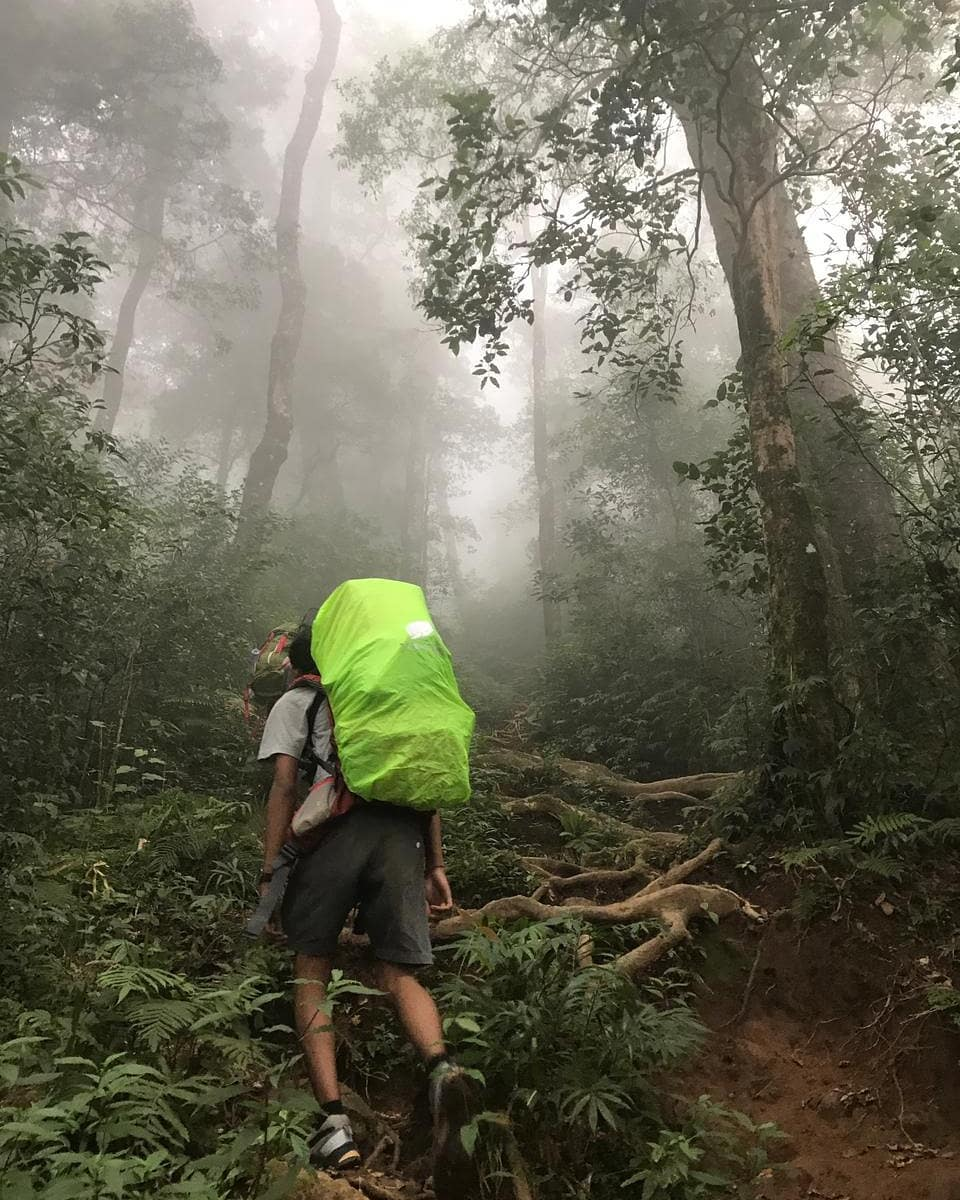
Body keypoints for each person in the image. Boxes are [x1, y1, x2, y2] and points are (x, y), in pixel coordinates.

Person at [256, 623, 475, 1186]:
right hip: (401, 834)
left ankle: (333, 1125)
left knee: (311, 969)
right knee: (399, 972)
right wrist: (435, 865)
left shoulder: (298, 701)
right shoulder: (385, 699)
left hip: (332, 835)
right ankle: (442, 1068)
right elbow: (422, 782)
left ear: (297, 662)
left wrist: (269, 874)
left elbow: (284, 786)